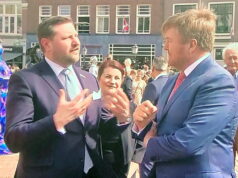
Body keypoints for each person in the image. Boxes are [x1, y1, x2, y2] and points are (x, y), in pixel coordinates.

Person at [4, 16, 129, 178]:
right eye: (67, 38)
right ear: (46, 44)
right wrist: (56, 121)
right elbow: (14, 139)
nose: (76, 42)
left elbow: (98, 130)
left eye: (76, 36)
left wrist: (121, 118)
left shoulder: (89, 79)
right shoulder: (26, 79)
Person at [133, 9, 238, 178]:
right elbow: (163, 128)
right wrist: (143, 122)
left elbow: (188, 142)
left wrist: (149, 142)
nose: (165, 46)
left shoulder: (218, 81)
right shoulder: (173, 80)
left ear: (192, 44)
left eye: (168, 40)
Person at [97, 59, 134, 178]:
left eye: (117, 78)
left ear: (122, 80)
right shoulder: (90, 107)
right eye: (108, 76)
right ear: (99, 78)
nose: (112, 81)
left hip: (126, 171)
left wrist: (133, 166)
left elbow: (140, 140)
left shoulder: (132, 107)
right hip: (98, 171)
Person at [223, 43, 238, 159]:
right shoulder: (220, 76)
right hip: (226, 125)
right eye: (229, 58)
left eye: (235, 58)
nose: (232, 61)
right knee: (228, 157)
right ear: (224, 60)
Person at [0, 43, 11, 155]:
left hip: (4, 96)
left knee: (4, 118)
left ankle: (2, 139)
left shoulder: (2, 64)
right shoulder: (3, 65)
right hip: (4, 95)